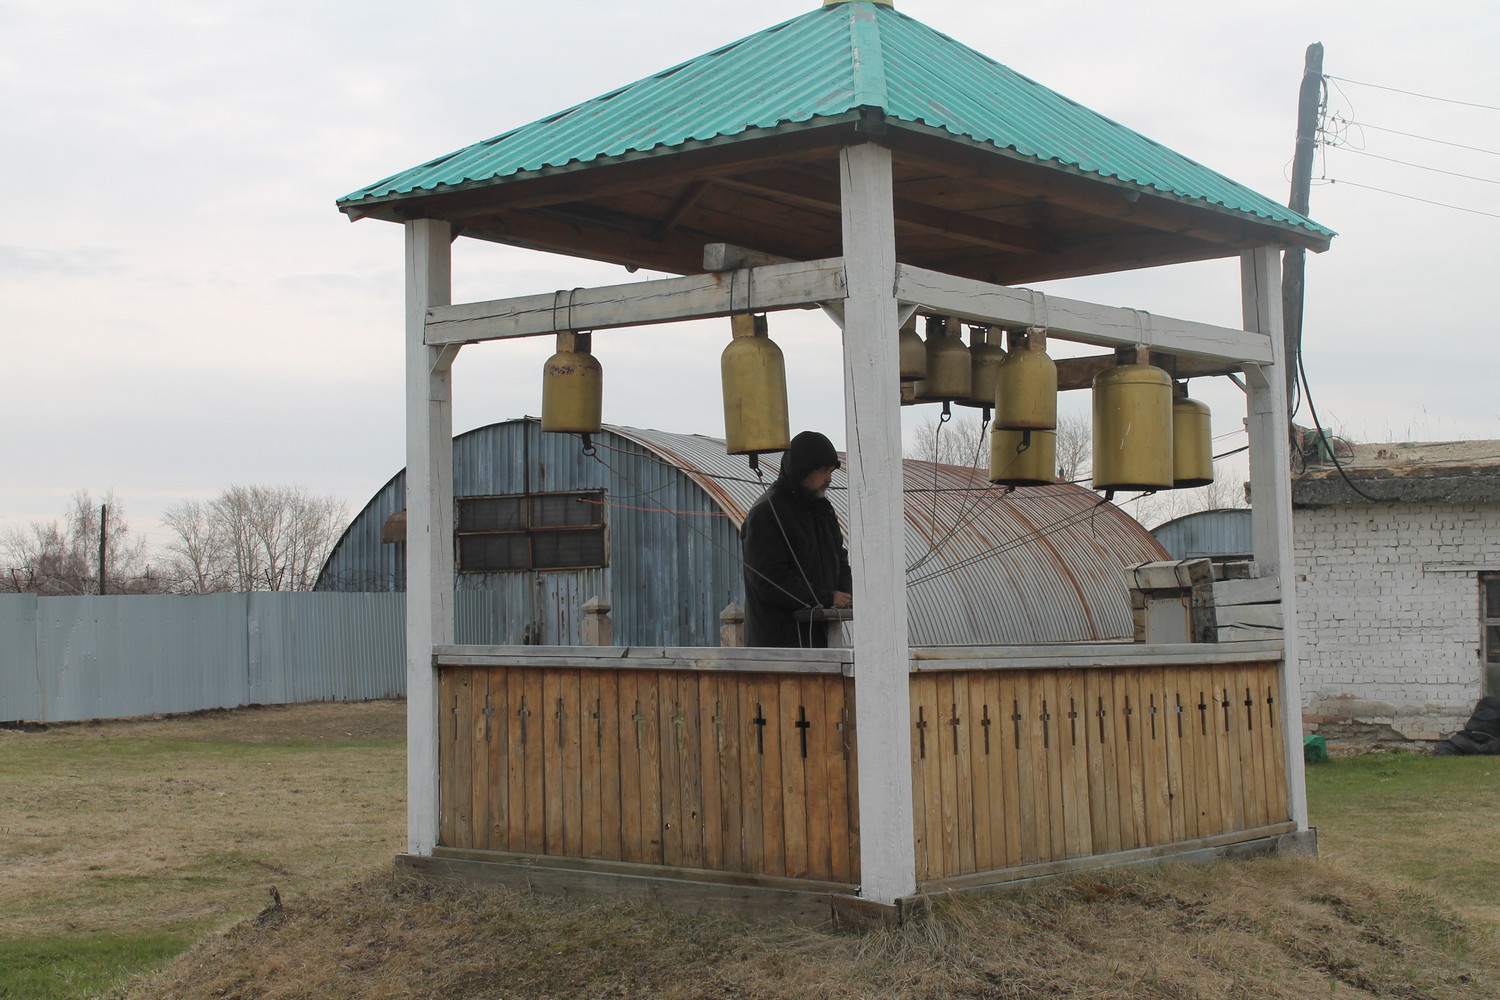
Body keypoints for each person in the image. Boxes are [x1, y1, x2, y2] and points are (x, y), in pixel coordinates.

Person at [741, 430, 853, 648]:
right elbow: (769, 579)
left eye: (830, 471)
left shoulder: (822, 509)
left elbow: (840, 558)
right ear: (803, 470)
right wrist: (827, 598)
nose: (828, 479)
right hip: (779, 645)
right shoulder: (767, 512)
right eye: (823, 471)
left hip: (821, 638)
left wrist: (845, 594)